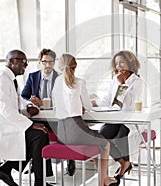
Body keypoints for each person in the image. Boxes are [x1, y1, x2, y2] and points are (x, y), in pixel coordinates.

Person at [0, 49, 53, 186]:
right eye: (23, 62)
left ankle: (7, 170)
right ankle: (38, 182)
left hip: (4, 123)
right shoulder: (1, 79)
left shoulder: (10, 78)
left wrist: (29, 106)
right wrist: (30, 124)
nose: (26, 65)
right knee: (39, 135)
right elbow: (6, 110)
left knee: (40, 133)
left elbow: (17, 100)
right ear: (12, 62)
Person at [52, 54, 119, 186]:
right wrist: (82, 106)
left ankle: (103, 178)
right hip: (76, 129)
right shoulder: (79, 82)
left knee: (97, 143)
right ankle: (103, 180)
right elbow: (88, 106)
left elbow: (56, 106)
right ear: (75, 66)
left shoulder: (57, 82)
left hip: (61, 132)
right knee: (105, 144)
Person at [21, 48, 75, 176]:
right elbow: (23, 95)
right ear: (39, 62)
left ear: (54, 63)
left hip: (56, 119)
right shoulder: (33, 76)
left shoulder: (61, 78)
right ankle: (39, 164)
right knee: (33, 131)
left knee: (62, 129)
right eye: (45, 62)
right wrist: (31, 101)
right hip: (38, 118)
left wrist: (48, 102)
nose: (48, 65)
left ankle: (69, 158)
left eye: (51, 62)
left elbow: (66, 99)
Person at [97, 50, 144, 180]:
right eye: (117, 64)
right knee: (101, 137)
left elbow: (130, 105)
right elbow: (108, 99)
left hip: (128, 119)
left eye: (122, 62)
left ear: (130, 63)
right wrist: (96, 104)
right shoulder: (115, 80)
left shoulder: (137, 82)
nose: (119, 66)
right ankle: (124, 163)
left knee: (119, 137)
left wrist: (123, 84)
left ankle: (126, 162)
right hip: (114, 118)